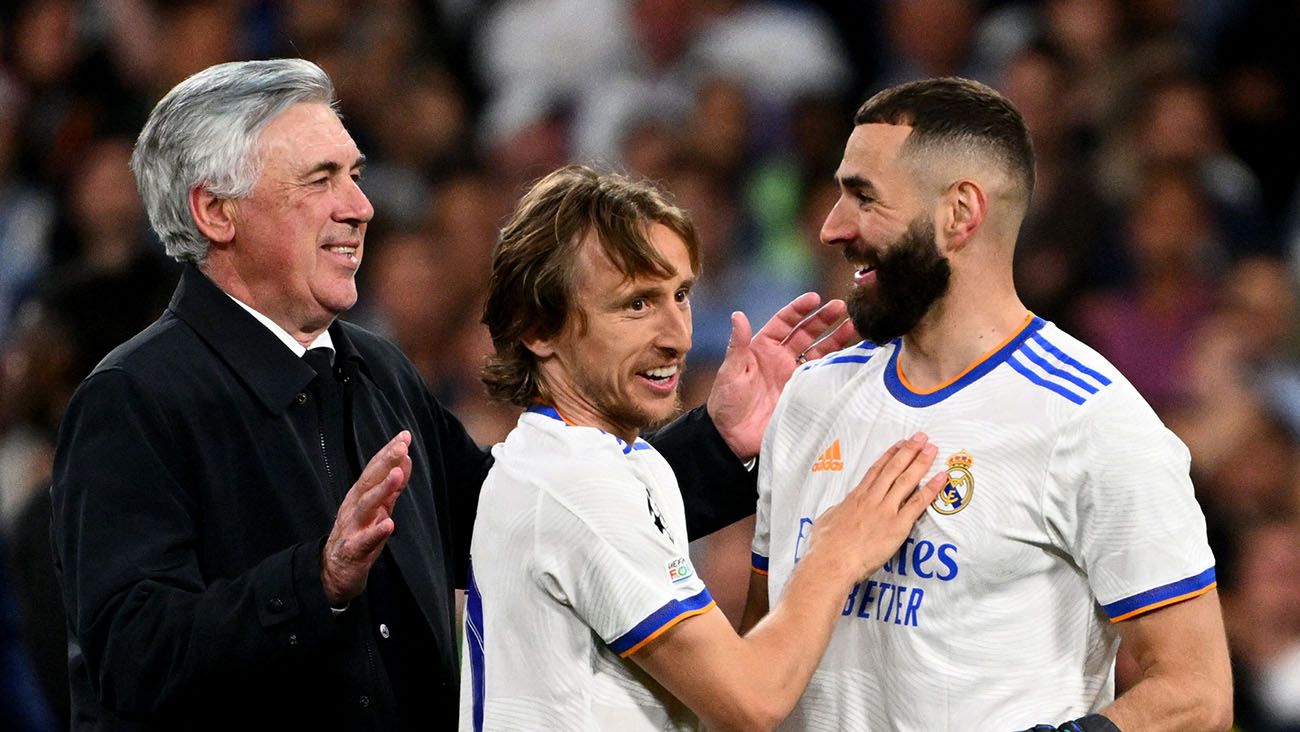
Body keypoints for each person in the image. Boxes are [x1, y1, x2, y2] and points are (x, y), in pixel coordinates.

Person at [49, 59, 853, 732]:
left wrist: (717, 440)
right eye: (321, 179)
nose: (359, 207)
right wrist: (316, 581)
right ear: (215, 212)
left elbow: (523, 514)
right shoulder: (134, 400)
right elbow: (131, 663)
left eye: (356, 176)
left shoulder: (375, 370)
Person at [742, 77, 1234, 731]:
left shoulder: (1091, 421)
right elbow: (756, 664)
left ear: (960, 213)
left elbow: (1198, 693)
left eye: (863, 197)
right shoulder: (810, 398)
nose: (832, 227)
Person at [463, 164, 945, 731]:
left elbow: (718, 701)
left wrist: (765, 502)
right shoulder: (574, 485)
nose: (679, 336)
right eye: (637, 304)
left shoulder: (621, 461)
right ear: (537, 328)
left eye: (682, 294)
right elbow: (751, 703)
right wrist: (835, 553)